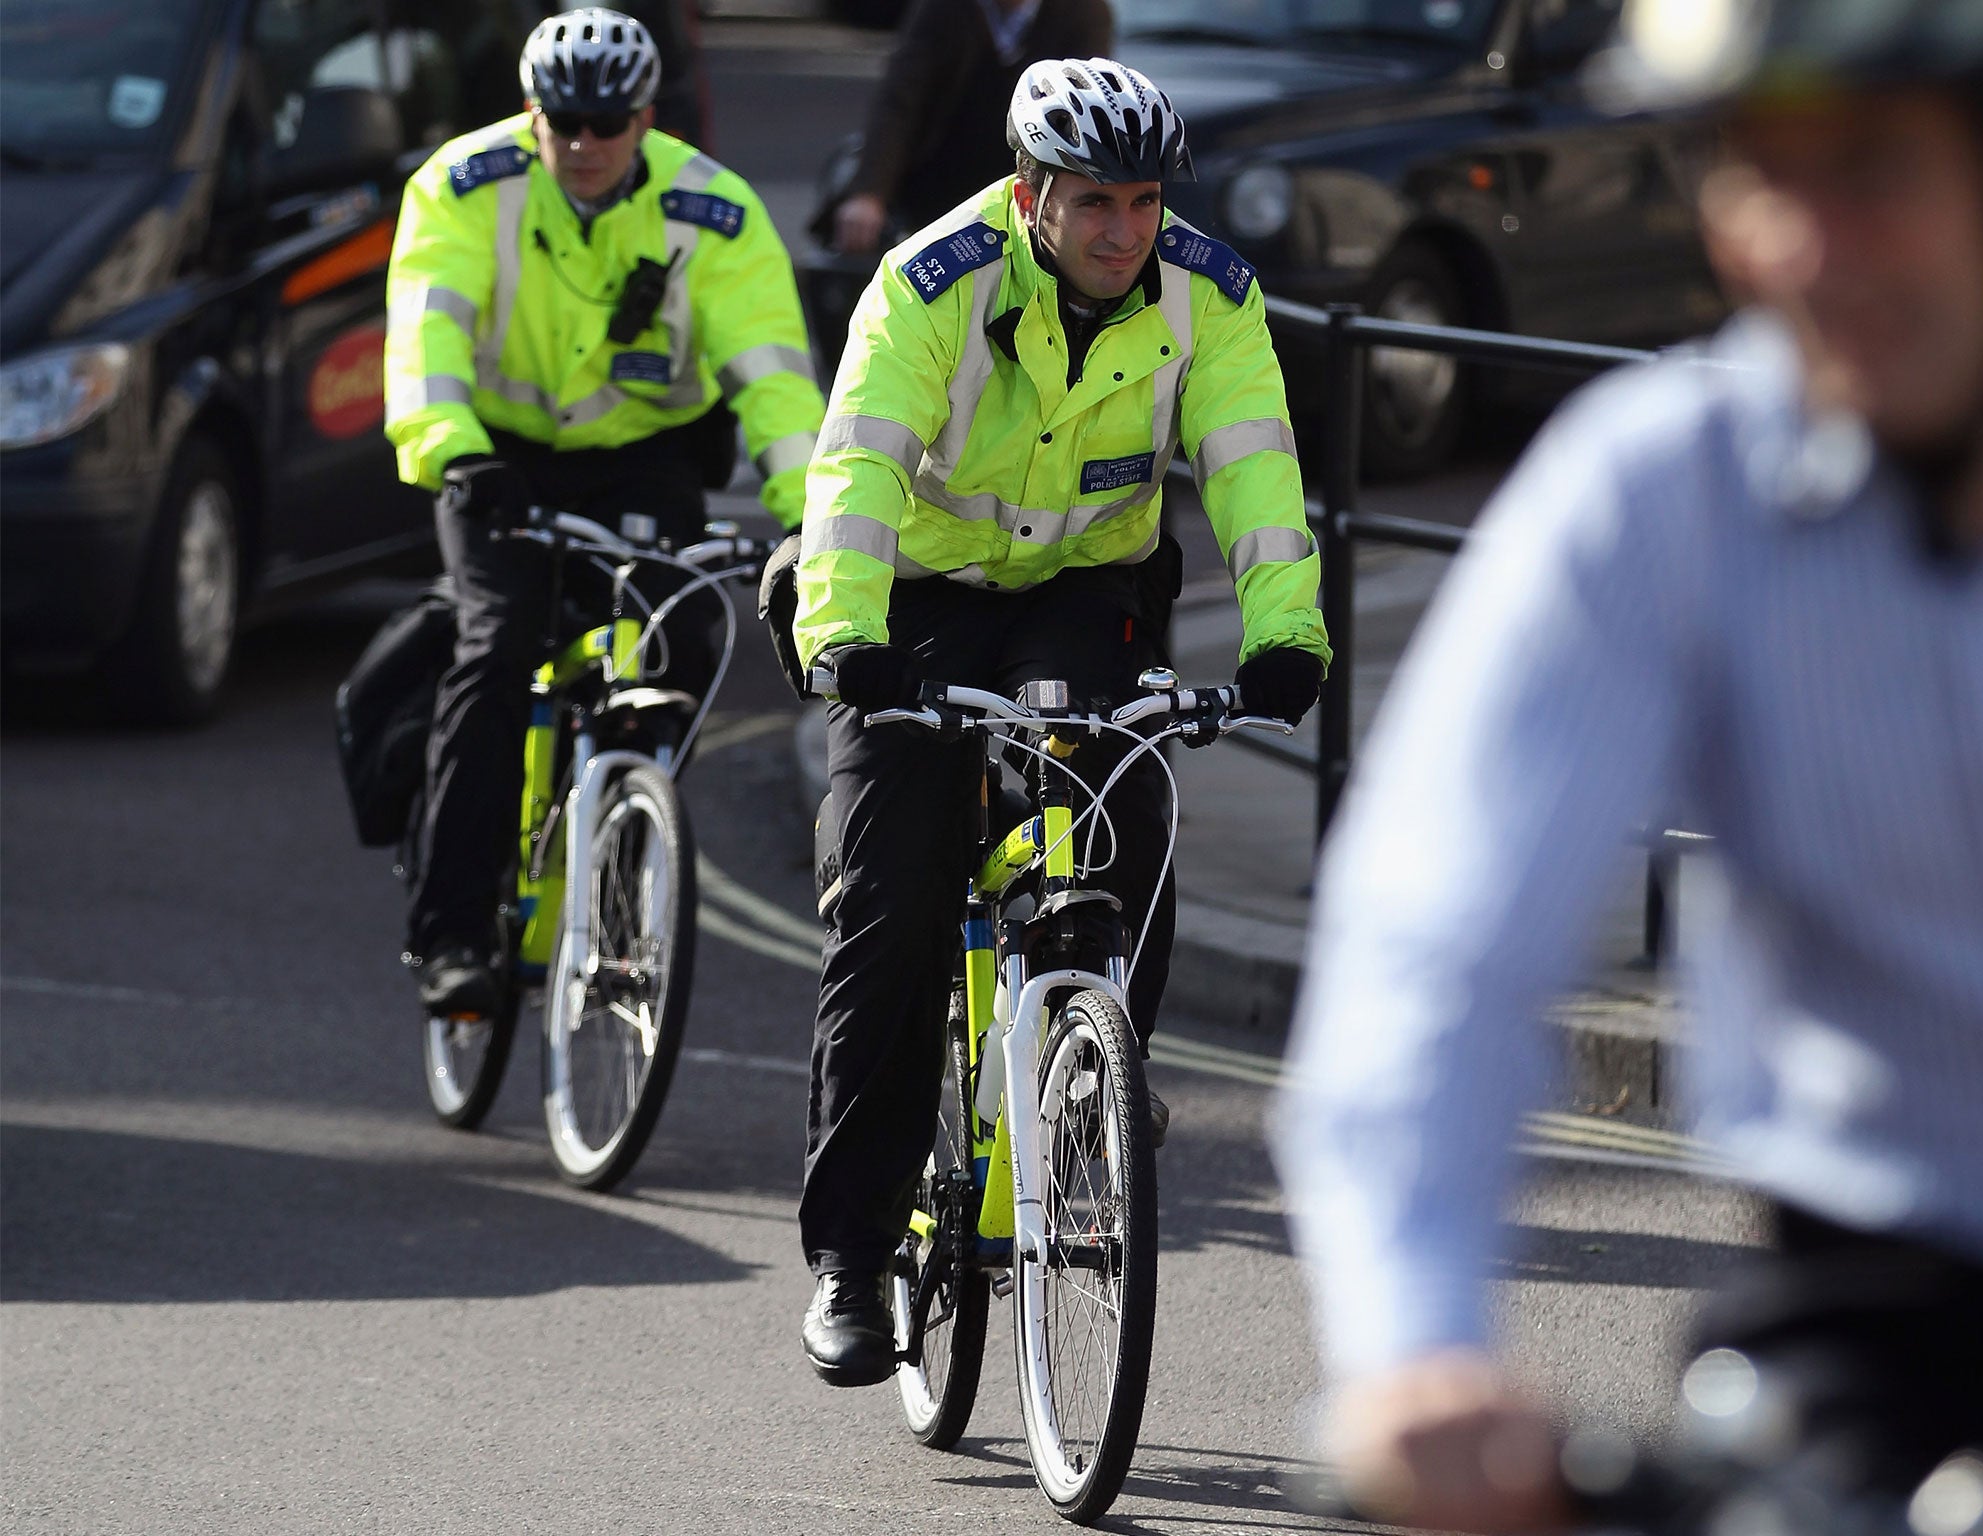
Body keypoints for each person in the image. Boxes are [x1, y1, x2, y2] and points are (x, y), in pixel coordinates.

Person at [1273, 0, 1983, 1527]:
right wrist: (1418, 1351)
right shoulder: (1665, 489)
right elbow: (1440, 941)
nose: (1807, 249)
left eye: (1876, 170)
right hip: (1889, 1338)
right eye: (1763, 172)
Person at [791, 57, 1331, 1387]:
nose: (1122, 231)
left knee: (1126, 810)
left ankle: (1097, 1070)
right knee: (892, 903)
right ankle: (853, 1261)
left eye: (1143, 201)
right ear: (1030, 193)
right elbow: (857, 459)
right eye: (1093, 202)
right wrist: (844, 636)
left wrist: (1285, 635)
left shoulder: (1210, 290)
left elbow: (1256, 465)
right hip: (921, 596)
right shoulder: (934, 280)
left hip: (1091, 583)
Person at [384, 7, 824, 1017]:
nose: (581, 147)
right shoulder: (460, 186)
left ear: (645, 117)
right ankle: (451, 933)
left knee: (676, 642)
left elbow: (773, 380)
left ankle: (625, 874)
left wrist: (810, 518)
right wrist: (454, 453)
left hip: (642, 459)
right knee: (494, 651)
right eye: (560, 124)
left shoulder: (712, 210)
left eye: (605, 125)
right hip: (494, 459)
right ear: (530, 114)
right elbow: (424, 343)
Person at [828, 0, 1113, 255]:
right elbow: (900, 101)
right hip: (935, 192)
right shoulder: (942, 8)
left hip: (1029, 196)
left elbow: (1080, 120)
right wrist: (869, 194)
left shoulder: (1084, 12)